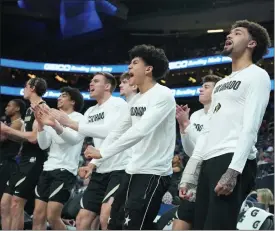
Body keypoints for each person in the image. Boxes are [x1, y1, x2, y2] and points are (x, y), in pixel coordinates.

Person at [180, 20, 271, 230]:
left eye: (237, 33)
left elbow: (251, 125)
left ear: (252, 44)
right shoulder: (220, 84)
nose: (229, 36)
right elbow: (209, 129)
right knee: (201, 226)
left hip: (233, 158)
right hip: (210, 161)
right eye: (229, 33)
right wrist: (191, 174)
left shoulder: (258, 75)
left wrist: (233, 171)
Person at [84, 44, 176, 230]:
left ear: (148, 69)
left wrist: (103, 152)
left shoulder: (163, 95)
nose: (129, 68)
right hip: (131, 170)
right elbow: (118, 131)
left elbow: (140, 130)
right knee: (114, 224)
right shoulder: (136, 100)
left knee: (134, 226)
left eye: (135, 63)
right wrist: (94, 162)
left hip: (153, 172)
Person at [50, 72, 130, 230]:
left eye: (96, 81)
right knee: (82, 220)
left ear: (107, 86)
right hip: (100, 170)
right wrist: (55, 124)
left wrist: (71, 123)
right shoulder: (90, 111)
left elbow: (111, 131)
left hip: (120, 168)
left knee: (106, 217)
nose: (91, 84)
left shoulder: (118, 104)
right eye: (91, 81)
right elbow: (75, 138)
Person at [31, 87, 85, 230]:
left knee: (52, 216)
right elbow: (43, 145)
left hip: (65, 170)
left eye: (64, 96)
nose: (59, 98)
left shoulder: (79, 118)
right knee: (37, 215)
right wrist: (41, 125)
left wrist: (54, 124)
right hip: (48, 168)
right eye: (59, 95)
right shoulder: (51, 118)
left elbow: (70, 140)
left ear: (73, 101)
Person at [173, 74, 222, 230]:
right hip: (196, 174)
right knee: (181, 222)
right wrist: (183, 127)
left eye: (206, 87)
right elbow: (190, 150)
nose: (201, 89)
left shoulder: (221, 114)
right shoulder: (196, 115)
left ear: (217, 92)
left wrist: (187, 124)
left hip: (214, 173)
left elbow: (207, 145)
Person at [0, 78, 48, 230]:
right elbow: (21, 136)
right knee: (5, 203)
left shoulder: (42, 108)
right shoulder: (29, 109)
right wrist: (6, 132)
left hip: (35, 161)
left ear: (33, 88)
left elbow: (34, 137)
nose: (24, 89)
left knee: (16, 204)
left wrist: (7, 130)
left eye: (25, 86)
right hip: (24, 161)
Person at [0, 99, 25, 202]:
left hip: (8, 162)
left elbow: (2, 138)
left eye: (9, 106)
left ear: (17, 108)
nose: (6, 108)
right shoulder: (11, 124)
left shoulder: (18, 123)